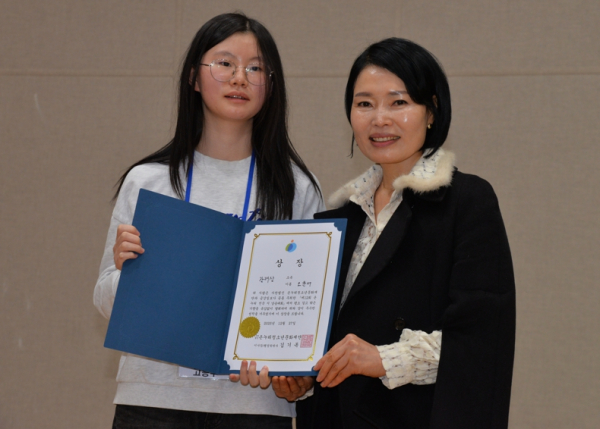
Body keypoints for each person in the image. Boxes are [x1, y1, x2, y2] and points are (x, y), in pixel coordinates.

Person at [94, 12, 324, 428]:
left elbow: (308, 309)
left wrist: (293, 373)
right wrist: (127, 272)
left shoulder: (296, 187)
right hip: (153, 397)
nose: (239, 78)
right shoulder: (148, 181)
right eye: (225, 63)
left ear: (271, 85)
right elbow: (105, 301)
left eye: (255, 68)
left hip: (253, 403)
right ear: (194, 78)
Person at [273, 38, 516, 428]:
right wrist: (305, 377)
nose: (379, 119)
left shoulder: (467, 201)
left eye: (398, 102)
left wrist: (382, 358)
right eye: (364, 104)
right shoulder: (339, 219)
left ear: (432, 111)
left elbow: (483, 340)